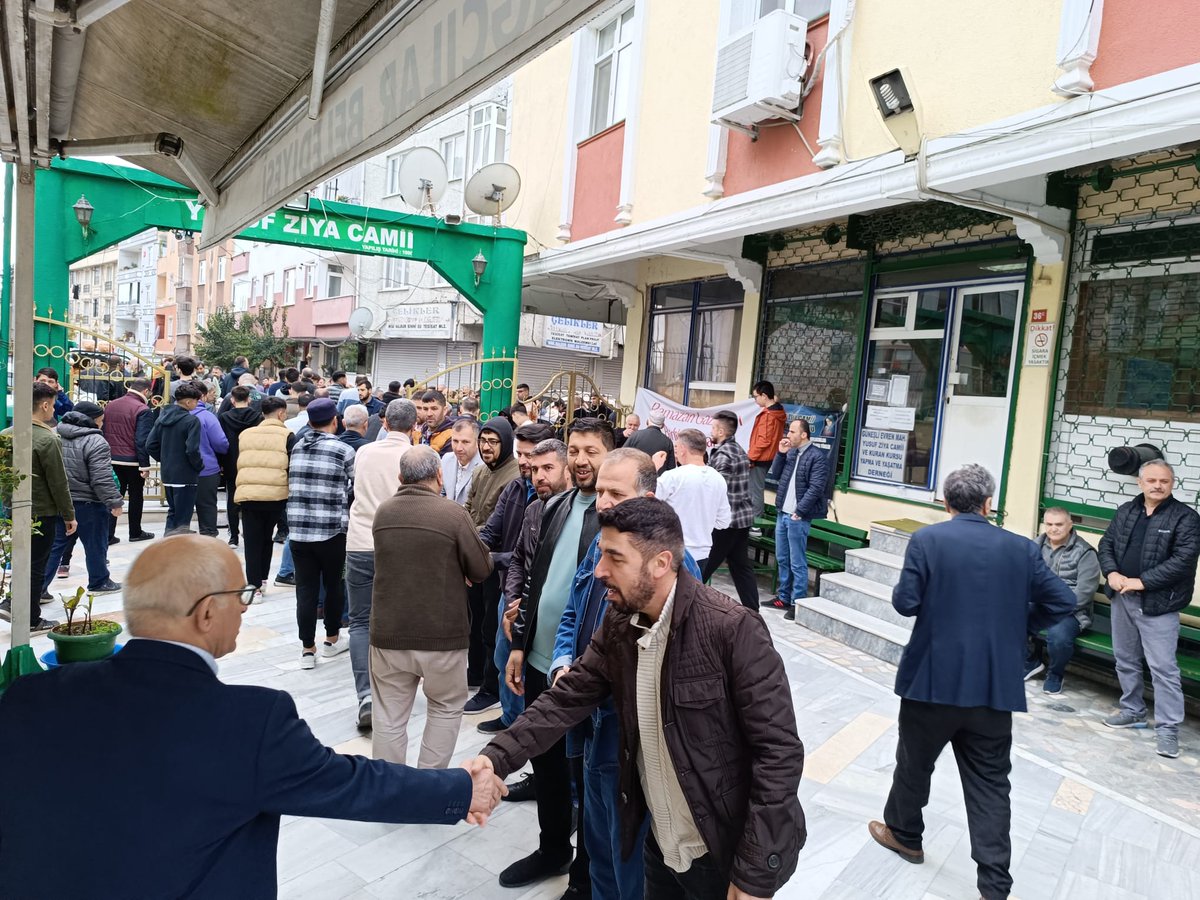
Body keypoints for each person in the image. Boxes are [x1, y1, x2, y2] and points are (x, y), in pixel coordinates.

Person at [0, 535, 506, 899]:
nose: (245, 610)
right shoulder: (248, 721)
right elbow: (352, 786)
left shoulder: (29, 696)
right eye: (241, 597)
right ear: (205, 614)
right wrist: (462, 788)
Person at [477, 497, 806, 900]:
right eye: (601, 555)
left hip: (721, 853)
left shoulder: (733, 630)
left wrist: (755, 871)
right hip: (659, 846)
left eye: (615, 558)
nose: (599, 572)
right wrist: (495, 758)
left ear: (661, 563)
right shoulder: (619, 624)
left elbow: (778, 753)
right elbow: (566, 698)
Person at [869, 464, 1074, 900]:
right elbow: (1064, 600)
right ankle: (995, 884)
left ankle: (905, 835)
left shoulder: (928, 540)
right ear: (988, 505)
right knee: (990, 784)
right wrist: (1019, 625)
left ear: (946, 503)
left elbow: (905, 603)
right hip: (993, 687)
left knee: (914, 765)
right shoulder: (1021, 548)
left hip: (930, 681)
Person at [549, 449, 704, 899]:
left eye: (615, 492)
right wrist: (563, 665)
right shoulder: (601, 547)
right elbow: (572, 613)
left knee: (628, 859)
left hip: (632, 736)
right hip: (593, 725)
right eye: (599, 489)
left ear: (648, 500)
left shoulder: (674, 569)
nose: (601, 502)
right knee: (598, 850)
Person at [497, 417, 613, 893]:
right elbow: (536, 582)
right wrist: (520, 646)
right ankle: (552, 849)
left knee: (585, 777)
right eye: (575, 450)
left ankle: (586, 876)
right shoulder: (555, 505)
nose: (582, 460)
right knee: (543, 760)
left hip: (584, 671)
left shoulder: (615, 517)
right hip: (540, 659)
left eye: (592, 451)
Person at [369, 447, 493, 765]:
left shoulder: (384, 513)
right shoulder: (453, 514)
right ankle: (429, 785)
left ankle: (390, 789)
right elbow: (480, 569)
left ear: (401, 478)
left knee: (388, 716)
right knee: (445, 708)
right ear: (439, 476)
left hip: (389, 632)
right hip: (443, 636)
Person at [1097, 459, 1200, 759]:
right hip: (1121, 597)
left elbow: (1183, 561)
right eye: (1151, 480)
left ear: (1172, 484)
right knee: (1125, 659)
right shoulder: (1126, 511)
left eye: (1164, 481)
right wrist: (1112, 574)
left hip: (1158, 604)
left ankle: (1168, 729)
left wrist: (1141, 582)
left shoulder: (1186, 518)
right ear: (1140, 483)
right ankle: (1132, 711)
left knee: (1163, 669)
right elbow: (1106, 545)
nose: (1157, 485)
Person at [475, 422, 557, 724]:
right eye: (520, 454)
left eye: (531, 456)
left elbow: (537, 557)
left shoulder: (555, 499)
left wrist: (493, 558)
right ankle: (511, 720)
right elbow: (491, 532)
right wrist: (469, 551)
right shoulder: (515, 487)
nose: (524, 462)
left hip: (539, 596)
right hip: (510, 589)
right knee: (502, 657)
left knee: (531, 665)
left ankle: (526, 726)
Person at [345, 399, 418, 730]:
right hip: (400, 545)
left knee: (360, 621)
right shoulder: (418, 456)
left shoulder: (364, 452)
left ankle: (365, 696)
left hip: (360, 542)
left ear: (385, 423)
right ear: (414, 426)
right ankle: (392, 694)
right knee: (399, 620)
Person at [288, 398, 355, 669]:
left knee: (305, 590)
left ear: (309, 422)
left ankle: (307, 649)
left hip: (299, 532)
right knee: (335, 584)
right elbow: (356, 486)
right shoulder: (343, 449)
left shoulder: (296, 447)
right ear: (335, 421)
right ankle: (331, 639)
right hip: (332, 532)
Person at [0, 383, 73, 631]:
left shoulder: (6, 434)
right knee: (36, 565)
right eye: (52, 405)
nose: (52, 409)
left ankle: (12, 602)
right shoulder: (47, 438)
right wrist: (69, 514)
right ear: (44, 405)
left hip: (13, 509)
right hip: (42, 511)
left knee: (20, 560)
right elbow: (58, 481)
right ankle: (30, 617)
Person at [463, 417, 520, 709]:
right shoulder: (481, 471)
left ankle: (491, 688)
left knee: (490, 627)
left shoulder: (513, 476)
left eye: (492, 442)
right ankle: (474, 674)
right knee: (474, 621)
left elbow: (497, 526)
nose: (485, 447)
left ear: (506, 443)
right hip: (476, 553)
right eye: (482, 441)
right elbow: (470, 511)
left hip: (497, 564)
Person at [41, 402, 123, 595]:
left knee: (54, 547)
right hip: (89, 502)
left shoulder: (54, 434)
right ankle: (99, 581)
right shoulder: (95, 441)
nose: (102, 424)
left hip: (59, 501)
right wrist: (114, 501)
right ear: (93, 420)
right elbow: (101, 477)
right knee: (96, 544)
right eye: (101, 420)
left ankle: (38, 589)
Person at [1026, 507, 1101, 694]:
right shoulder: (1035, 546)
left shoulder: (1085, 552)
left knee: (1058, 636)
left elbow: (1085, 592)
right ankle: (1029, 661)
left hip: (1072, 611)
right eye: (1049, 524)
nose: (1053, 529)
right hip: (1039, 604)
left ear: (1070, 525)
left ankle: (1055, 673)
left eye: (1059, 524)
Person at [768, 418, 827, 619]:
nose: (788, 435)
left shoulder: (816, 457)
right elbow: (775, 475)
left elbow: (816, 487)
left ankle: (797, 601)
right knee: (782, 558)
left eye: (792, 432)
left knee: (797, 561)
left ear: (804, 434)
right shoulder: (791, 453)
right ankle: (783, 597)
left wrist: (799, 511)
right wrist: (780, 454)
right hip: (782, 513)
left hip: (798, 517)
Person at [234, 396, 293, 593]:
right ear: (281, 413)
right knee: (268, 538)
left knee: (252, 541)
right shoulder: (288, 435)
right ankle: (263, 579)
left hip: (249, 493)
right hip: (275, 495)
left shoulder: (246, 434)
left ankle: (254, 586)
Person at [702, 410, 759, 609]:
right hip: (742, 519)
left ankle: (686, 603)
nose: (711, 430)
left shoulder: (724, 454)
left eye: (713, 427)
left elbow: (717, 490)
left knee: (705, 565)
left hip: (727, 521)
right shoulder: (739, 449)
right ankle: (753, 611)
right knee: (741, 567)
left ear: (720, 430)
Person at [652, 428, 730, 571]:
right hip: (702, 554)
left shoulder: (673, 477)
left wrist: (653, 468)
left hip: (671, 551)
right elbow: (723, 521)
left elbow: (645, 502)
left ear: (682, 449)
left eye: (676, 447)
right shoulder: (718, 479)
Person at [101, 377, 156, 543]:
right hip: (132, 461)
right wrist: (144, 465)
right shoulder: (142, 409)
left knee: (113, 496)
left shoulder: (111, 405)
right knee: (136, 496)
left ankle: (109, 534)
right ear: (145, 391)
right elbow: (141, 439)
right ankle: (135, 532)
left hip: (111, 458)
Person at [147, 382, 205, 535]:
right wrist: (198, 465)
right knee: (183, 516)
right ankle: (179, 545)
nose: (197, 404)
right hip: (185, 474)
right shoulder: (191, 421)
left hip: (168, 473)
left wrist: (165, 459)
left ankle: (169, 538)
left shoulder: (162, 418)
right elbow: (192, 449)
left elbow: (150, 444)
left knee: (173, 511)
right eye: (196, 401)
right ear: (188, 402)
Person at [218, 386, 263, 548]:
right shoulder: (258, 417)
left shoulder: (223, 417)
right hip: (251, 461)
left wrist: (221, 463)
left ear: (232, 400)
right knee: (251, 499)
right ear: (249, 399)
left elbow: (221, 441)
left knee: (232, 499)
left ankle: (234, 536)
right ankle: (250, 534)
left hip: (231, 461)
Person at [747, 381, 786, 523]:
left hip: (760, 458)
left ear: (764, 396)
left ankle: (755, 524)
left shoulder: (769, 415)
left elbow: (764, 440)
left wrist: (750, 458)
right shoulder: (776, 412)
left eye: (756, 396)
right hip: (766, 457)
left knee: (755, 491)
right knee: (754, 489)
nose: (755, 400)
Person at [192, 393, 230, 538]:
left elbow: (153, 443)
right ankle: (208, 536)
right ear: (202, 396)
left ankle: (176, 541)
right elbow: (221, 443)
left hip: (177, 470)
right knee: (207, 505)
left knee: (177, 510)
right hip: (206, 468)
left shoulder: (169, 415)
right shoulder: (207, 416)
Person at [442, 418, 484, 505]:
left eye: (465, 442)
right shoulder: (446, 459)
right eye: (455, 441)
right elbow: (440, 492)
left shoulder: (484, 467)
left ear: (478, 443)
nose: (458, 448)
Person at [421, 389, 458, 455]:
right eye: (425, 409)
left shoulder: (453, 435)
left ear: (445, 410)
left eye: (434, 409)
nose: (429, 414)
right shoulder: (421, 431)